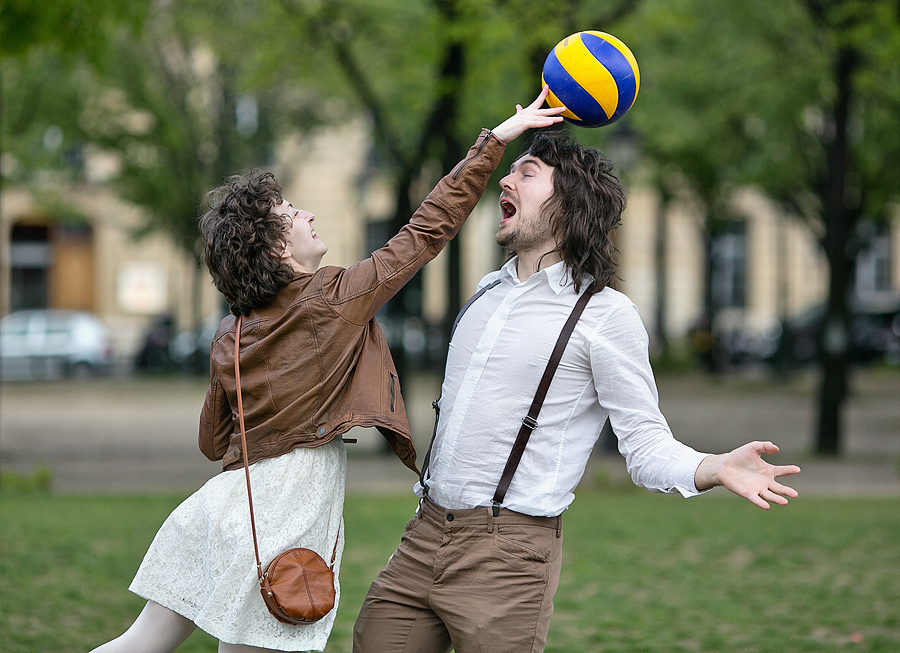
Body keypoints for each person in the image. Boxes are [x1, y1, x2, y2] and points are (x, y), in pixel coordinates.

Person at [89, 89, 565, 653]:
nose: (307, 213)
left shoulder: (231, 331)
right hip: (284, 516)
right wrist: (494, 142)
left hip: (219, 509)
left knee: (136, 644)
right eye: (292, 215)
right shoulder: (332, 299)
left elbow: (211, 439)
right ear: (275, 251)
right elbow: (426, 231)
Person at [352, 130, 802, 653]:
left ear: (567, 204)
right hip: (424, 532)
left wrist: (713, 467)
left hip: (507, 555)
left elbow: (644, 444)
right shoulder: (486, 292)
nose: (506, 179)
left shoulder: (606, 315)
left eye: (527, 173)